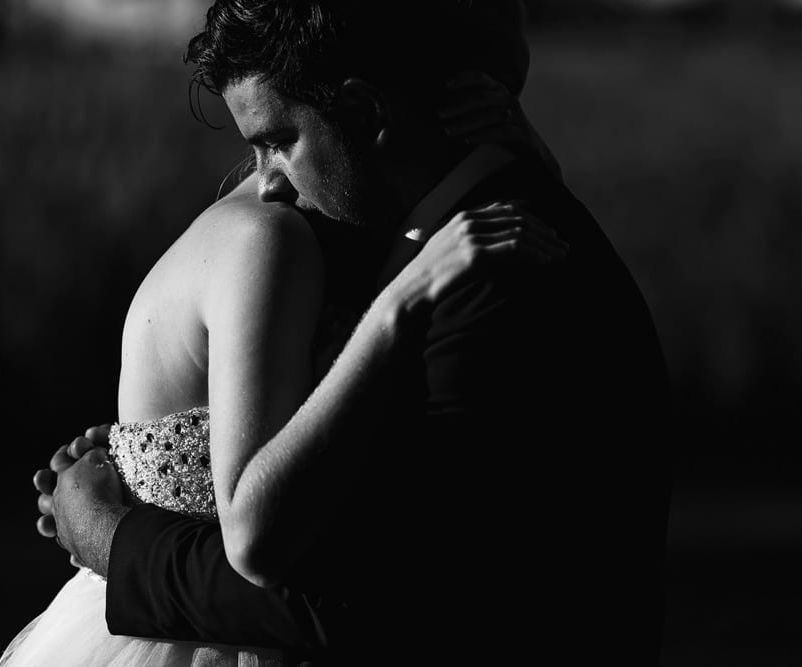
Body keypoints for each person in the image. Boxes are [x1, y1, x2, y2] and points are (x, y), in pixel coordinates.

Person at [33, 1, 672, 664]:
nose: (268, 181)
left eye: (281, 139)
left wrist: (116, 541)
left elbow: (388, 602)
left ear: (366, 115)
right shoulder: (473, 225)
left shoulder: (494, 276)